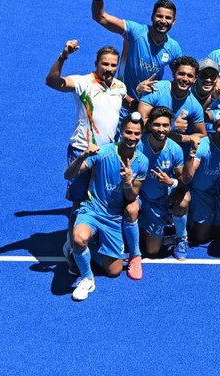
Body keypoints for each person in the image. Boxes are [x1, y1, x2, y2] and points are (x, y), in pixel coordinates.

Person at [63, 114, 149, 301]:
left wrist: (127, 182)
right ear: (121, 132)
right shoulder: (103, 152)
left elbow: (131, 197)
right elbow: (68, 175)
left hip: (113, 218)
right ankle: (87, 278)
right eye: (128, 132)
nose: (132, 137)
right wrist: (83, 156)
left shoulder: (142, 162)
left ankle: (82, 249)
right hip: (92, 210)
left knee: (114, 271)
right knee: (79, 238)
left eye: (136, 133)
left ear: (141, 135)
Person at [45, 40, 126, 207]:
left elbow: (127, 103)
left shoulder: (120, 87)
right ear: (96, 64)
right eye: (105, 64)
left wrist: (142, 94)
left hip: (107, 152)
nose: (109, 68)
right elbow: (52, 82)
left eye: (113, 65)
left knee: (105, 198)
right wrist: (63, 56)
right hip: (82, 149)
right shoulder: (83, 82)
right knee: (79, 202)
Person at [91, 0, 182, 108]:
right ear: (152, 17)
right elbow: (100, 17)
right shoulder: (136, 32)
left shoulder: (174, 48)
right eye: (159, 16)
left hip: (147, 108)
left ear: (173, 22)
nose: (163, 21)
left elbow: (181, 79)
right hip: (121, 105)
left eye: (168, 18)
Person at [136, 107, 188, 260]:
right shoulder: (138, 145)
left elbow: (182, 181)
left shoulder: (175, 150)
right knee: (130, 209)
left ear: (171, 126)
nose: (161, 129)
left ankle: (180, 237)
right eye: (157, 125)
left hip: (159, 201)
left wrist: (170, 182)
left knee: (152, 251)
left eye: (165, 125)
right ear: (149, 125)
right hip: (138, 197)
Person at [183, 108, 220, 247]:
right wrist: (192, 153)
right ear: (214, 127)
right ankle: (190, 219)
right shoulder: (203, 145)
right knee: (201, 238)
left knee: (219, 235)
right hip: (201, 194)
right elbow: (188, 176)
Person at [137, 56, 207, 154]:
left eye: (189, 76)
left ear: (195, 79)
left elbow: (203, 136)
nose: (185, 79)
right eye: (181, 74)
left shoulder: (195, 106)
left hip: (168, 153)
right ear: (173, 74)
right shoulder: (156, 90)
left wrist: (179, 137)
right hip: (143, 147)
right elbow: (139, 124)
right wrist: (172, 127)